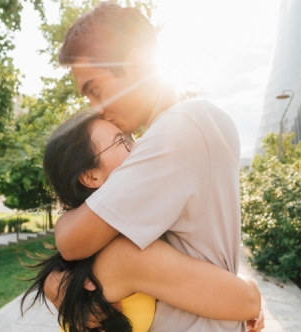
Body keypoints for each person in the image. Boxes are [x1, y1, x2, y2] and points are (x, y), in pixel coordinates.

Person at [48, 2, 261, 331]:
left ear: (135, 64)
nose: (96, 108)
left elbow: (73, 241)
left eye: (96, 90)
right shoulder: (194, 123)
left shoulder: (179, 129)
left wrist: (59, 282)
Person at [21, 112, 263, 332]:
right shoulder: (127, 253)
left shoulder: (98, 248)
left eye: (133, 137)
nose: (138, 148)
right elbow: (247, 300)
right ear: (90, 176)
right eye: (122, 142)